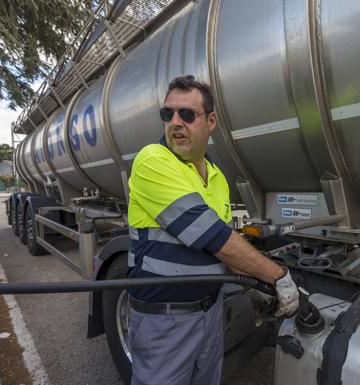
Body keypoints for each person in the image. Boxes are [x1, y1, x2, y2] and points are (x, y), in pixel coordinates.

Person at [126, 75, 299, 385]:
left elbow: (223, 250)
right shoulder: (153, 160)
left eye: (187, 114)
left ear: (210, 121)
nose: (175, 122)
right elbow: (215, 238)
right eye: (168, 114)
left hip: (210, 313)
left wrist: (253, 288)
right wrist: (277, 277)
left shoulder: (217, 176)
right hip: (164, 320)